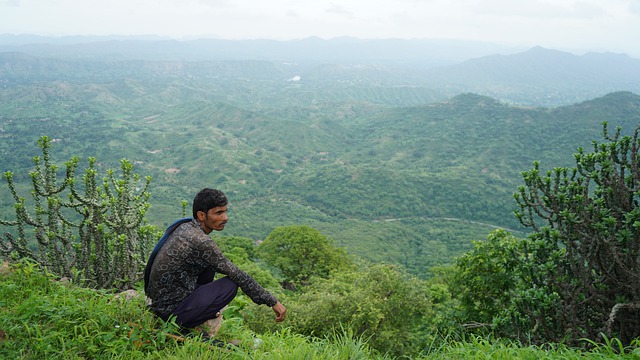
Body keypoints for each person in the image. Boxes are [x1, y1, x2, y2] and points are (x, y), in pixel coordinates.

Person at [145, 188, 286, 336]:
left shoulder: (185, 226)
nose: (225, 218)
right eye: (218, 213)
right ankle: (185, 322)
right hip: (170, 312)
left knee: (211, 264)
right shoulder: (200, 241)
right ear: (201, 215)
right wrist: (273, 302)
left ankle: (199, 311)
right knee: (230, 284)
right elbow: (237, 274)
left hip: (162, 300)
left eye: (225, 211)